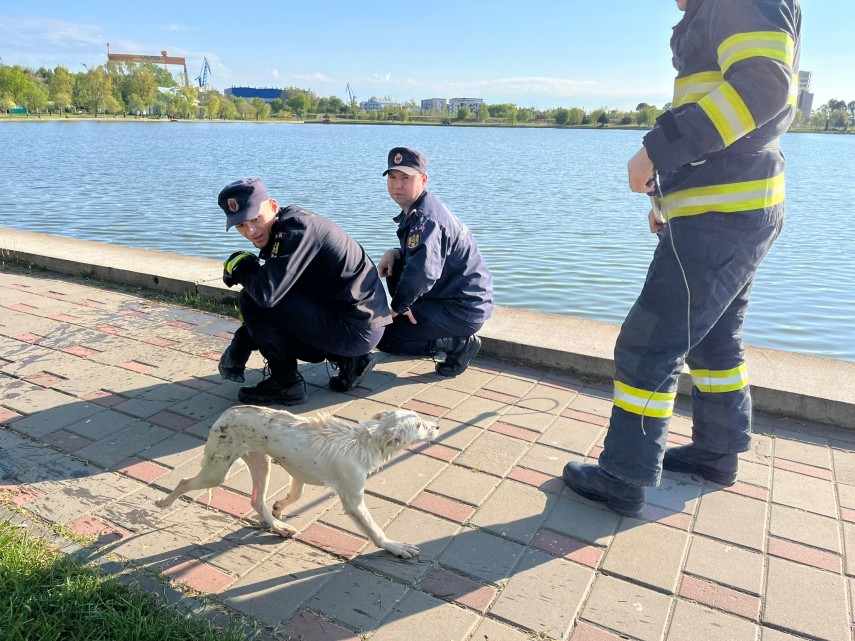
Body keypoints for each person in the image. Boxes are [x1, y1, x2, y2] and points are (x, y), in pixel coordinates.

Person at [562, 0, 801, 516]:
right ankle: (717, 454)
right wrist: (666, 196)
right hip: (734, 209)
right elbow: (721, 107)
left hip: (720, 215)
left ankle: (623, 475)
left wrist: (655, 151)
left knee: (648, 344)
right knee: (715, 338)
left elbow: (762, 88)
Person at [216, 177, 392, 405]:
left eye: (255, 218)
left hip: (355, 330)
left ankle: (286, 385)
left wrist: (241, 267)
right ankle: (351, 361)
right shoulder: (288, 226)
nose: (250, 230)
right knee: (267, 300)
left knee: (252, 300)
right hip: (360, 323)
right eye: (240, 225)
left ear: (272, 205)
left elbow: (266, 295)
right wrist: (244, 339)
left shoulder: (295, 231)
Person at [376, 147, 493, 377]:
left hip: (462, 308)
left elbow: (423, 273)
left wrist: (396, 309)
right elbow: (422, 259)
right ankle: (424, 323)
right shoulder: (420, 209)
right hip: (452, 296)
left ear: (424, 180)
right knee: (397, 266)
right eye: (392, 177)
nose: (397, 185)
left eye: (406, 178)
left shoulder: (426, 219)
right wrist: (395, 252)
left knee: (385, 337)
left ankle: (457, 344)